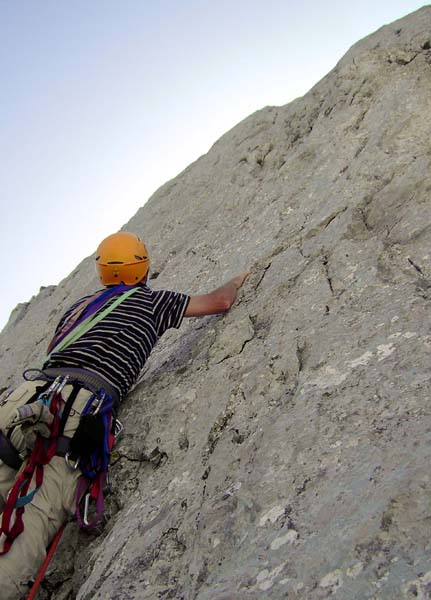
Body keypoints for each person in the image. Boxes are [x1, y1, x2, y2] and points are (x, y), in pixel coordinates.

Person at [0, 231, 249, 600]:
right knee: (32, 523)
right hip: (78, 413)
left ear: (103, 272)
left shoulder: (77, 309)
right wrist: (242, 276)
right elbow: (221, 301)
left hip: (27, 399)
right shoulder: (154, 302)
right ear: (143, 268)